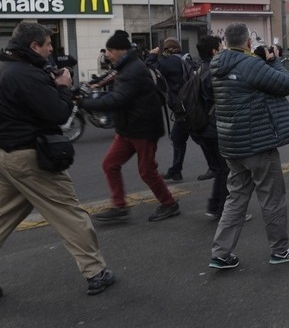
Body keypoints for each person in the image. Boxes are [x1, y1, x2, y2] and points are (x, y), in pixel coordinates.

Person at [0, 22, 115, 296]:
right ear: (33, 46)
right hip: (33, 157)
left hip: (7, 156)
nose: (52, 49)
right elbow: (59, 114)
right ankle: (95, 272)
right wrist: (63, 87)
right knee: (68, 214)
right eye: (48, 44)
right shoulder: (26, 75)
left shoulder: (7, 70)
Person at [208, 23, 289, 269]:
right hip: (257, 143)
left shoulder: (217, 65)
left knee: (236, 198)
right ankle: (281, 249)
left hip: (231, 144)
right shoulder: (250, 64)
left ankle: (220, 252)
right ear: (248, 43)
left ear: (225, 43)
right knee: (272, 197)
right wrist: (273, 60)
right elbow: (286, 84)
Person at [82, 31, 181, 223]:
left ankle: (169, 204)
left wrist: (86, 103)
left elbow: (118, 99)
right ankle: (120, 207)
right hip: (127, 128)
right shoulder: (123, 66)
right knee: (110, 164)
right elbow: (108, 79)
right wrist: (91, 86)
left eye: (110, 50)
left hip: (143, 129)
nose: (107, 54)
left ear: (122, 51)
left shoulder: (134, 69)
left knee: (147, 171)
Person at [147, 37, 216, 182]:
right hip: (190, 106)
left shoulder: (169, 61)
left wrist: (153, 55)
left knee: (199, 138)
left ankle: (214, 167)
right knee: (179, 138)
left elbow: (150, 69)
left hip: (185, 109)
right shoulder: (186, 59)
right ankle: (176, 170)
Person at [188, 35, 230, 219]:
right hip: (213, 128)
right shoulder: (215, 71)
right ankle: (223, 209)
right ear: (214, 51)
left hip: (200, 127)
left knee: (219, 169)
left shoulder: (198, 69)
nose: (222, 49)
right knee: (225, 169)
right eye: (220, 47)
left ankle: (214, 206)